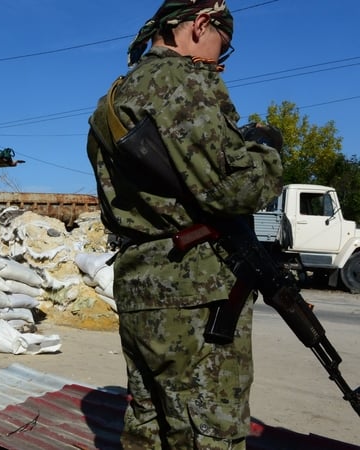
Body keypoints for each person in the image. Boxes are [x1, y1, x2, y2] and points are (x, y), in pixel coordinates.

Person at [86, 1, 283, 449]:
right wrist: (267, 149)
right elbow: (233, 188)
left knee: (150, 423)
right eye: (222, 48)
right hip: (194, 292)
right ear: (200, 24)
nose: (220, 64)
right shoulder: (182, 81)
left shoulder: (112, 99)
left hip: (141, 283)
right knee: (207, 432)